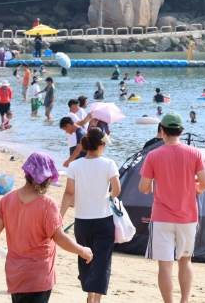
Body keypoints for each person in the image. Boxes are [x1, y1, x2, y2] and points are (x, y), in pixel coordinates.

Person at [0, 152, 93, 302]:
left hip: (16, 274)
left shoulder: (7, 200)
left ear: (26, 173)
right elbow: (60, 238)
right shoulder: (47, 204)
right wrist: (83, 251)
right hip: (39, 275)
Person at [138, 112, 205, 303]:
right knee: (185, 261)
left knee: (165, 265)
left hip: (161, 217)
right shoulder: (194, 153)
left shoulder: (153, 155)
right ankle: (184, 301)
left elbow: (144, 188)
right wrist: (197, 188)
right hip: (187, 217)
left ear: (162, 131)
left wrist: (153, 183)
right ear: (182, 131)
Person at [60, 128, 120, 302]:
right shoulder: (109, 164)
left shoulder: (74, 165)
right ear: (100, 145)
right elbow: (117, 190)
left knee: (85, 258)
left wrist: (60, 216)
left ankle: (89, 296)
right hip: (103, 219)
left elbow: (69, 194)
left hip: (82, 221)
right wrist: (108, 197)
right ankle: (97, 300)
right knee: (102, 261)